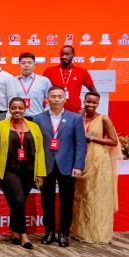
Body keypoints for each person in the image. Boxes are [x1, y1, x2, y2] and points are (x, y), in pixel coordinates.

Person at [0, 98, 46, 249]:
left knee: (16, 203)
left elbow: (40, 150)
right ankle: (23, 235)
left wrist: (40, 173)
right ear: (9, 109)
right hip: (8, 170)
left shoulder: (34, 127)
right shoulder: (0, 126)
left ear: (25, 109)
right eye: (13, 108)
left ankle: (14, 231)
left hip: (28, 170)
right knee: (19, 200)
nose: (17, 111)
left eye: (20, 108)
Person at [34, 86, 86, 247]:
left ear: (65, 99)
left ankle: (64, 232)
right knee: (46, 200)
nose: (56, 99)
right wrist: (37, 169)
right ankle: (49, 231)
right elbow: (36, 146)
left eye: (59, 96)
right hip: (46, 165)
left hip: (68, 165)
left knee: (66, 201)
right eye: (53, 96)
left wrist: (79, 165)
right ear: (47, 99)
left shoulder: (75, 118)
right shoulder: (38, 118)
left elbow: (80, 144)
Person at [72, 92, 120, 244]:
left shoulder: (104, 118)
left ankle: (97, 234)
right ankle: (80, 232)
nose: (91, 105)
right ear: (84, 101)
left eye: (94, 103)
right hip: (82, 160)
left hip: (99, 160)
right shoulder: (79, 115)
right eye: (88, 102)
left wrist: (91, 138)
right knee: (82, 195)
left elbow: (113, 141)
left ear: (98, 103)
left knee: (97, 197)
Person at [43, 45, 96, 113]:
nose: (64, 57)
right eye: (62, 54)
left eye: (67, 54)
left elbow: (93, 91)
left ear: (73, 55)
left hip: (75, 111)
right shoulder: (49, 71)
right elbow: (41, 92)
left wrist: (85, 108)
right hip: (54, 111)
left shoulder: (82, 72)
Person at [13, 52, 52, 119]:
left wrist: (45, 114)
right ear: (19, 65)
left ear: (34, 65)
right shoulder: (12, 81)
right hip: (18, 118)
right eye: (23, 63)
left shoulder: (44, 81)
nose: (26, 65)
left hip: (38, 117)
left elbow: (51, 99)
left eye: (29, 63)